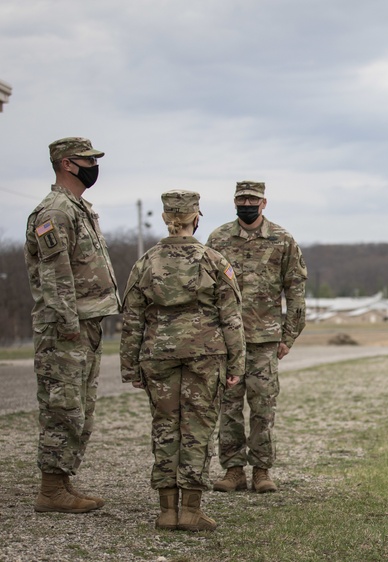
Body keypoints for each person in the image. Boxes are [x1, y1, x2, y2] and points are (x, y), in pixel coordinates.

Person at [120, 190, 245, 532]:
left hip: (158, 354)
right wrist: (237, 365)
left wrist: (130, 366)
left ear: (165, 218)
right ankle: (190, 511)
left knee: (164, 427)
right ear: (196, 217)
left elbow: (132, 318)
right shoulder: (213, 260)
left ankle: (166, 511)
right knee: (197, 429)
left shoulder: (146, 261)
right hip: (205, 355)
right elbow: (230, 317)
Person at [25, 137, 120, 513]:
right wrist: (67, 324)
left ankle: (62, 483)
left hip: (84, 324)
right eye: (87, 160)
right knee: (61, 407)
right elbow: (56, 276)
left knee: (79, 409)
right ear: (67, 164)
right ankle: (51, 491)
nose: (93, 166)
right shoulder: (54, 212)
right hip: (66, 328)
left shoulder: (79, 209)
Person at [208, 181, 307, 494]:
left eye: (252, 199)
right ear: (234, 202)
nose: (246, 203)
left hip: (265, 340)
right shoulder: (218, 239)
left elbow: (296, 290)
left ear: (264, 203)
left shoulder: (282, 240)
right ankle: (233, 470)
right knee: (229, 408)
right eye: (241, 199)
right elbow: (206, 289)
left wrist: (288, 336)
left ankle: (262, 470)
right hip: (226, 341)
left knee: (263, 407)